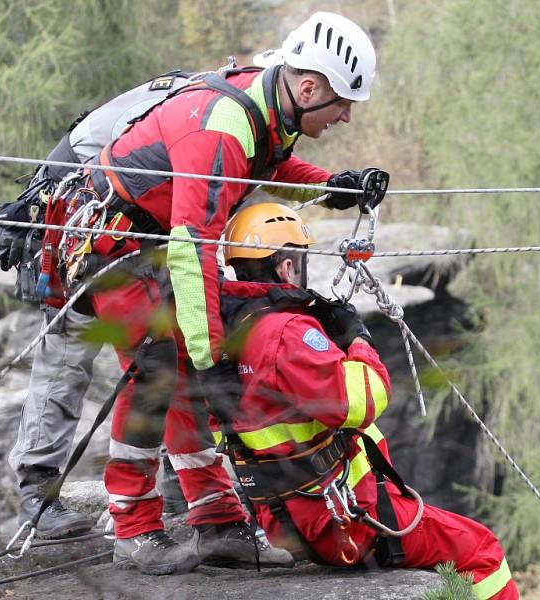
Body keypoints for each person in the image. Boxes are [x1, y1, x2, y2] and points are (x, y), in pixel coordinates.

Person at [37, 11, 382, 576]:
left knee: (187, 374)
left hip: (155, 241)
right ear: (309, 86)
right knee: (158, 374)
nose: (345, 116)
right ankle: (135, 528)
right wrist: (209, 350)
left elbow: (261, 164)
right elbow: (193, 242)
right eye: (343, 102)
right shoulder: (222, 124)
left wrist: (332, 187)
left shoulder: (266, 106)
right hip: (118, 244)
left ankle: (218, 521)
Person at [0, 67, 293, 567]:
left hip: (139, 239)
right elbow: (82, 167)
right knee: (73, 358)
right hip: (79, 226)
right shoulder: (203, 110)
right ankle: (39, 494)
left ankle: (200, 506)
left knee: (171, 363)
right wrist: (33, 219)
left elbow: (247, 175)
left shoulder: (226, 108)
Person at [215, 202, 519, 600]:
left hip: (285, 518)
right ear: (287, 268)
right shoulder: (287, 333)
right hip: (342, 519)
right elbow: (363, 401)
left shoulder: (230, 333)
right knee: (483, 552)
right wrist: (358, 339)